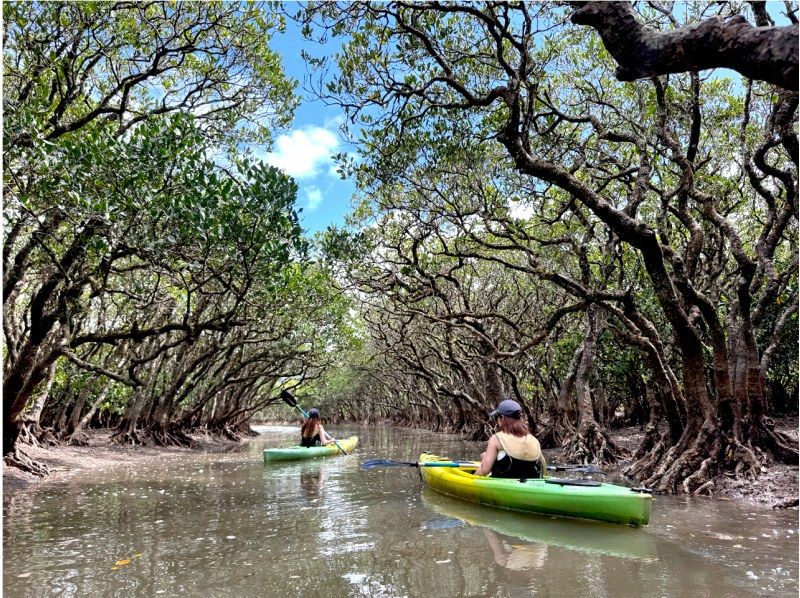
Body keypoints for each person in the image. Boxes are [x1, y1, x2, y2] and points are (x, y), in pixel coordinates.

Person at [474, 399, 547, 479]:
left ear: (502, 418)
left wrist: (473, 476)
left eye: (497, 417)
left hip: (505, 485)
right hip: (531, 485)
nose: (497, 421)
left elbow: (484, 470)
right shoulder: (533, 440)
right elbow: (544, 470)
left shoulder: (496, 438)